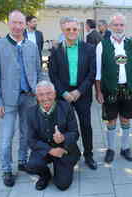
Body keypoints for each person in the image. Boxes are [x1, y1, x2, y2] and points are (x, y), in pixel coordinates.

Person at [0, 10, 43, 187]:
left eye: (21, 23)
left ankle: (22, 162)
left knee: (26, 133)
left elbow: (38, 71)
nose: (18, 26)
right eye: (14, 22)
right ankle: (6, 169)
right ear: (8, 23)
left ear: (25, 24)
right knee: (7, 136)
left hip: (29, 97)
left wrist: (40, 91)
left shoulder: (32, 46)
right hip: (8, 100)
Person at [48, 16, 97, 170]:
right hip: (64, 96)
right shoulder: (56, 50)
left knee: (86, 125)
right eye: (68, 29)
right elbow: (53, 74)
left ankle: (88, 155)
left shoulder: (88, 48)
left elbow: (92, 73)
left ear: (79, 30)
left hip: (82, 94)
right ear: (63, 30)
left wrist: (79, 91)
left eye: (74, 29)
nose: (71, 32)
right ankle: (66, 155)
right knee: (63, 127)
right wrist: (63, 93)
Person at [95, 13, 132, 163]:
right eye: (116, 25)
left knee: (125, 119)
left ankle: (125, 148)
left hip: (127, 88)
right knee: (111, 120)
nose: (119, 27)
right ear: (111, 26)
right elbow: (98, 71)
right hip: (109, 89)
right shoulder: (102, 45)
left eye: (121, 25)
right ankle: (111, 149)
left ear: (125, 26)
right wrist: (98, 91)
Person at [27, 81, 81, 191]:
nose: (45, 97)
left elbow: (75, 133)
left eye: (49, 93)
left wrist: (63, 137)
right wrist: (50, 150)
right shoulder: (30, 112)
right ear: (36, 97)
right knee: (31, 165)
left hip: (64, 150)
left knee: (62, 185)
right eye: (41, 94)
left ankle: (64, 167)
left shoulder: (66, 107)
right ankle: (45, 175)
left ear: (55, 94)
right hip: (45, 150)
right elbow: (31, 140)